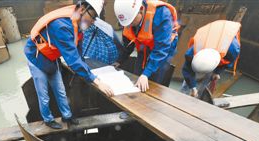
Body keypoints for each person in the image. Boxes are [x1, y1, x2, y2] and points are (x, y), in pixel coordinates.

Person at [25, 0, 113, 130]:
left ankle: (67, 116)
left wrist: (88, 72)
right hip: (36, 57)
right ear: (83, 8)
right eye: (93, 16)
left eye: (95, 19)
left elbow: (78, 53)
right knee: (43, 95)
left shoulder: (78, 22)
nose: (93, 21)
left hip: (51, 57)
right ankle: (48, 119)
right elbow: (73, 60)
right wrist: (96, 81)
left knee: (60, 91)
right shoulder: (61, 26)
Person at [113, 0, 179, 92]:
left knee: (153, 82)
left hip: (163, 49)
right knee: (137, 76)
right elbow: (127, 44)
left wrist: (146, 74)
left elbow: (161, 49)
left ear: (141, 9)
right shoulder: (129, 18)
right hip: (144, 44)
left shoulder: (161, 14)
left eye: (131, 22)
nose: (129, 25)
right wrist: (119, 60)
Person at [181, 20, 241, 98]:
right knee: (189, 79)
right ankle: (184, 93)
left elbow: (228, 63)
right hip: (213, 30)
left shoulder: (232, 50)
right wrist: (193, 87)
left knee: (211, 76)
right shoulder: (192, 52)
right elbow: (187, 69)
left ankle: (200, 96)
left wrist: (217, 72)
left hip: (227, 30)